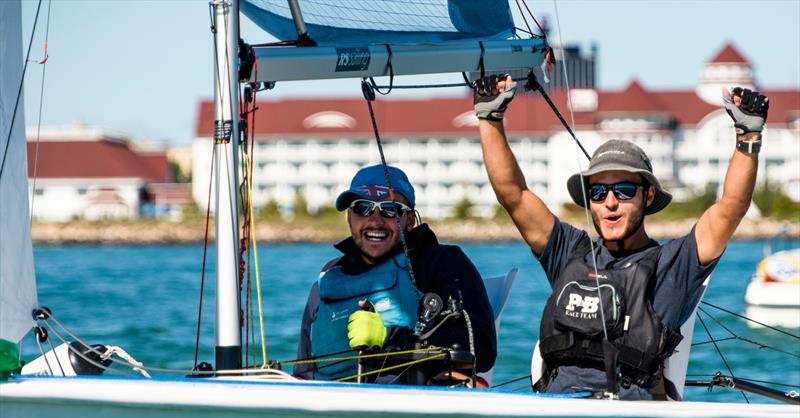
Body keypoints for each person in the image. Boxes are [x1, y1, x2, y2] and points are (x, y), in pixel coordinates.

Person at [474, 74, 769, 399]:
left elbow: (730, 209)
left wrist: (748, 136)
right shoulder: (568, 250)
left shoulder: (673, 264)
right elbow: (513, 194)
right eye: (598, 192)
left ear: (648, 195)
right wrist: (490, 117)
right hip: (557, 413)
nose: (610, 202)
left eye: (625, 190)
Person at [296, 164, 496, 386]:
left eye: (390, 209)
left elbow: (482, 349)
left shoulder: (442, 262)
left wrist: (390, 338)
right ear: (349, 216)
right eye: (363, 207)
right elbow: (302, 372)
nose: (375, 221)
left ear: (409, 219)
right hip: (330, 410)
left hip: (412, 406)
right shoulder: (327, 279)